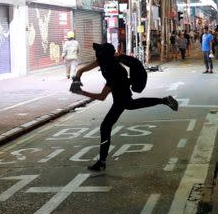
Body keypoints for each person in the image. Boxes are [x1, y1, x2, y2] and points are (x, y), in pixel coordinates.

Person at [71, 42, 178, 171]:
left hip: (121, 95)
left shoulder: (112, 70)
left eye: (98, 52)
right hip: (120, 96)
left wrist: (81, 92)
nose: (96, 54)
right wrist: (77, 77)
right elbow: (82, 69)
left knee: (107, 125)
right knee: (126, 109)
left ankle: (102, 161)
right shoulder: (104, 60)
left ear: (103, 55)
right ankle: (164, 100)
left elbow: (102, 96)